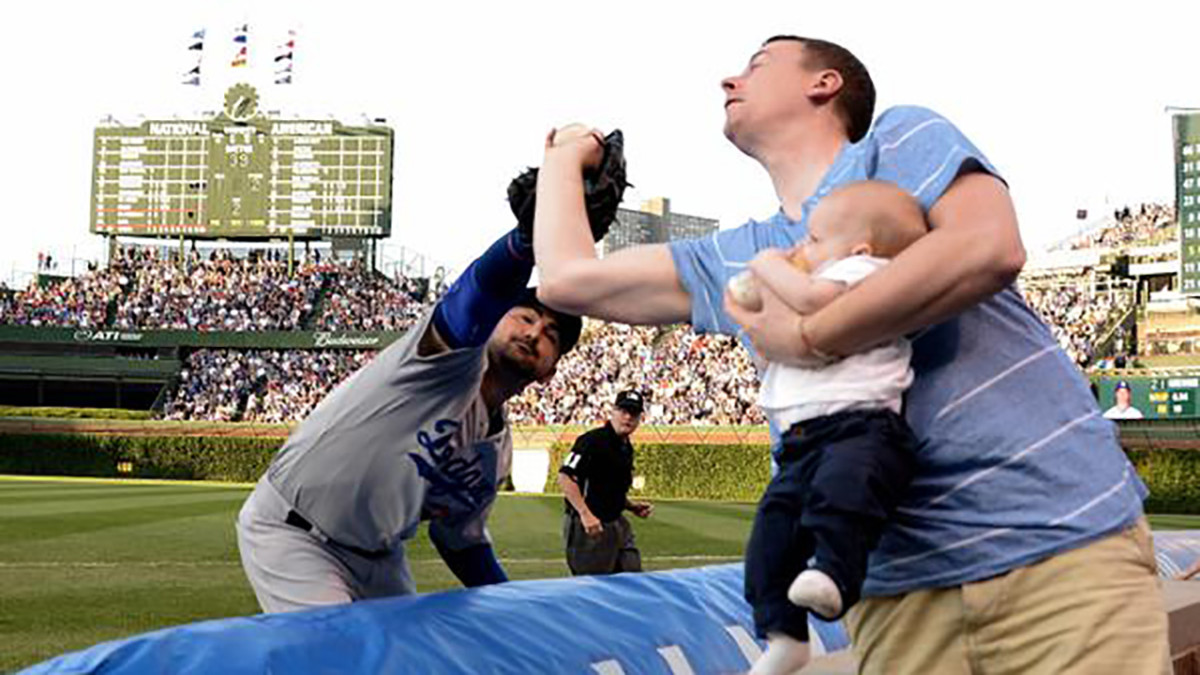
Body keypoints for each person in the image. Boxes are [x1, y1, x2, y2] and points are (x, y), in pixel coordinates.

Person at [533, 35, 1168, 674]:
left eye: (756, 65)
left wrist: (812, 335)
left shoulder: (894, 143)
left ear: (825, 83)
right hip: (894, 595)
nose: (728, 80)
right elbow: (565, 279)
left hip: (1057, 547)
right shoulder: (733, 255)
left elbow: (988, 246)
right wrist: (566, 154)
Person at [235, 224, 582, 613]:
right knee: (338, 655)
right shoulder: (443, 364)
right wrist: (524, 241)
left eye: (552, 334)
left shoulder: (496, 455)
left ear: (550, 371)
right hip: (296, 532)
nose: (534, 333)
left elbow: (461, 541)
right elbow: (473, 298)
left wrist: (516, 604)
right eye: (525, 317)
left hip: (380, 557)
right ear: (496, 319)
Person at [727, 181, 926, 631]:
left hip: (860, 427)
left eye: (814, 240)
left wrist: (766, 264)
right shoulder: (815, 282)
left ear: (859, 247)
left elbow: (816, 299)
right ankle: (782, 632)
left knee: (841, 500)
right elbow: (769, 349)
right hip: (802, 440)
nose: (802, 247)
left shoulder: (866, 270)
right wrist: (753, 311)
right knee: (773, 533)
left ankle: (836, 574)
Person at [557, 389, 654, 575]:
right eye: (623, 411)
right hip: (590, 527)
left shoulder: (626, 447)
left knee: (633, 581)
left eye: (633, 413)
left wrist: (631, 506)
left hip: (616, 523)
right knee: (594, 589)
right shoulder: (591, 441)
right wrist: (585, 514)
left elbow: (609, 488)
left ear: (640, 418)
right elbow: (565, 477)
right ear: (613, 412)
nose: (628, 417)